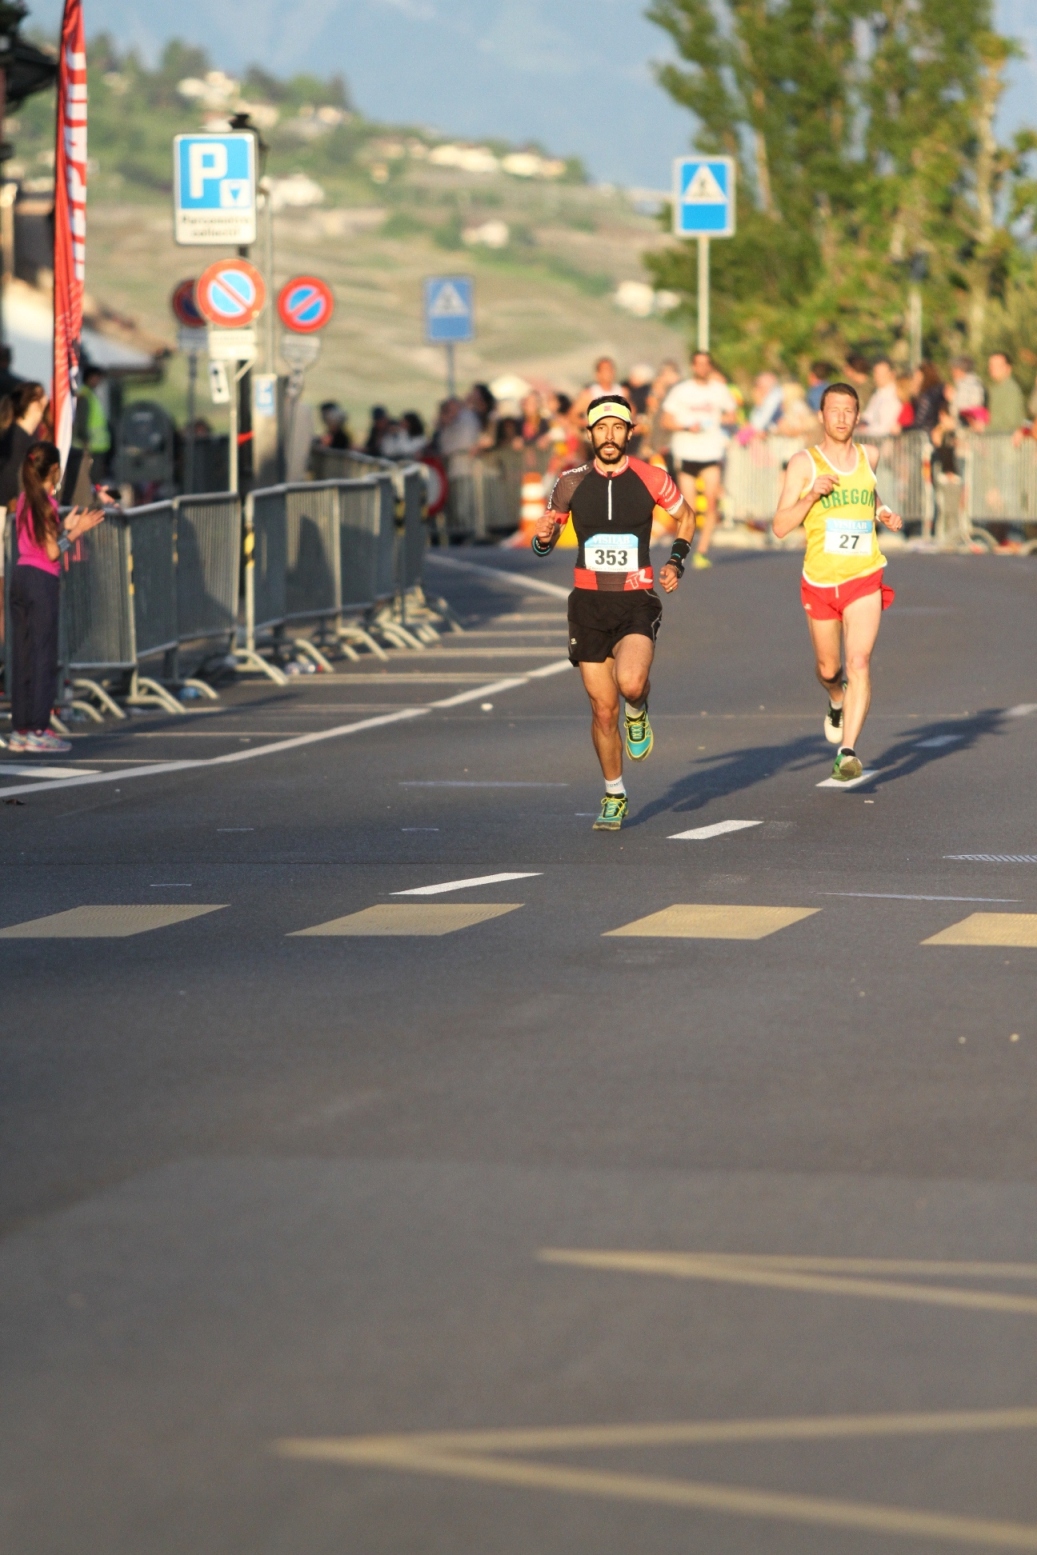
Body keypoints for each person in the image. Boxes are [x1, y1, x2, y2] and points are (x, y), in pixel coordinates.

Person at [531, 394, 696, 831]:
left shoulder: (650, 477)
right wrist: (543, 538)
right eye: (601, 428)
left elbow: (687, 517)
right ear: (589, 434)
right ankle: (614, 794)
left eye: (617, 428)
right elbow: (547, 536)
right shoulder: (570, 482)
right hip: (588, 605)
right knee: (603, 711)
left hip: (636, 599)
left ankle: (638, 709)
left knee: (631, 683)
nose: (609, 436)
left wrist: (676, 561)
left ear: (629, 433)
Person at [772, 382, 903, 782]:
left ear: (858, 416)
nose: (842, 417)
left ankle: (847, 752)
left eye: (849, 410)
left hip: (864, 576)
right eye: (835, 410)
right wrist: (811, 496)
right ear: (822, 416)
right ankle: (835, 698)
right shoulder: (804, 463)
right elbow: (780, 526)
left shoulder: (869, 455)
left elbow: (868, 492)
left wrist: (881, 511)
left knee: (858, 661)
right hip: (820, 580)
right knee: (829, 669)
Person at [8, 442, 106, 754]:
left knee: (23, 657)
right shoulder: (47, 503)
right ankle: (39, 728)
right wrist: (76, 532)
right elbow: (52, 550)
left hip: (20, 576)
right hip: (41, 580)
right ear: (54, 470)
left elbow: (37, 540)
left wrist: (65, 526)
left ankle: (21, 728)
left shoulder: (25, 499)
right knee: (43, 656)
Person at [660, 350, 737, 568]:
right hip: (687, 452)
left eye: (706, 364)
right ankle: (682, 550)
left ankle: (702, 551)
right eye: (698, 364)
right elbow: (666, 420)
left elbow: (732, 415)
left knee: (712, 503)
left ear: (710, 366)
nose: (702, 368)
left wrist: (716, 420)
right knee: (689, 507)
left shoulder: (719, 390)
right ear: (693, 366)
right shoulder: (681, 391)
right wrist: (687, 426)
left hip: (711, 452)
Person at [0, 382, 47, 508]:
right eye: (41, 395)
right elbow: (8, 474)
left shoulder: (24, 437)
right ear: (31, 403)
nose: (45, 398)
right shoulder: (14, 437)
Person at [72, 366, 112, 479]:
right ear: (90, 378)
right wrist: (85, 441)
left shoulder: (90, 395)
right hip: (89, 447)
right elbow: (82, 421)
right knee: (91, 480)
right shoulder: (85, 396)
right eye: (97, 378)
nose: (99, 381)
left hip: (95, 447)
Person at [858, 359, 901, 438]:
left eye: (881, 374)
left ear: (892, 374)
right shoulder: (877, 394)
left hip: (885, 441)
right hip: (871, 440)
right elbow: (867, 417)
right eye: (875, 373)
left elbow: (886, 427)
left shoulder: (895, 396)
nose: (877, 377)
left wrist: (866, 430)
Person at [986, 351, 1025, 435]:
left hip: (1006, 439)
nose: (992, 368)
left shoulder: (1011, 390)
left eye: (997, 365)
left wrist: (985, 425)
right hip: (994, 437)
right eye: (991, 365)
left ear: (1008, 368)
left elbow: (1011, 421)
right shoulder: (993, 389)